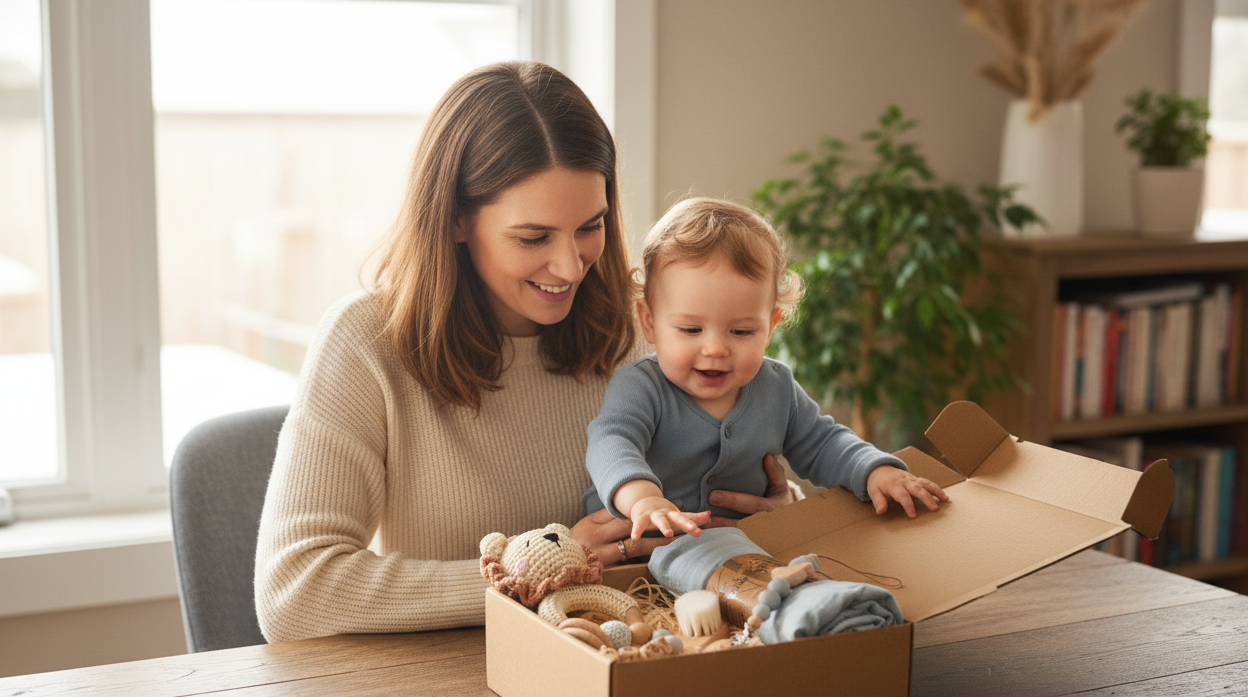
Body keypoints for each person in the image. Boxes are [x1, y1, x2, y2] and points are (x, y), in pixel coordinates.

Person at [254, 64, 793, 642]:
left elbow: (764, 490)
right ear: (456, 219)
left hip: (644, 662)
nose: (569, 267)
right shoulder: (365, 343)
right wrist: (543, 570)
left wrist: (787, 521)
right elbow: (295, 591)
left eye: (591, 226)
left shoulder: (657, 333)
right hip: (449, 691)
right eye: (533, 237)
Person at [584, 197, 949, 543]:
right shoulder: (641, 386)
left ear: (771, 326)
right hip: (641, 546)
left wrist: (875, 470)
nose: (715, 349)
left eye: (742, 331)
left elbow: (823, 442)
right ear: (649, 322)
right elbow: (612, 442)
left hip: (740, 546)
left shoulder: (776, 388)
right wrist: (643, 499)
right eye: (691, 330)